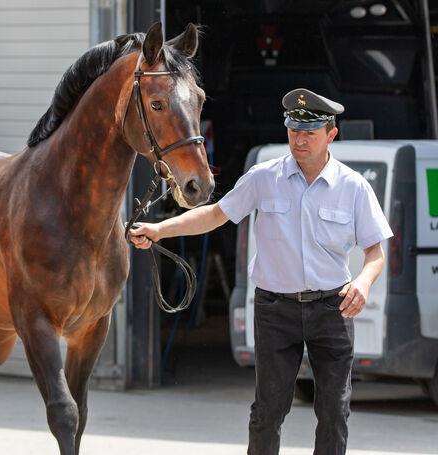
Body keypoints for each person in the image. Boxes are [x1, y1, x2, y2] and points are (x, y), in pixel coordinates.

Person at [129, 88, 393, 455]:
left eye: (309, 133)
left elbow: (375, 251)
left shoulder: (353, 187)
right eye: (293, 130)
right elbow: (216, 214)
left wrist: (363, 282)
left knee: (334, 411)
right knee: (267, 413)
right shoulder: (263, 177)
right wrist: (160, 230)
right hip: (275, 311)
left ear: (331, 134)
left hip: (332, 310)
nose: (298, 140)